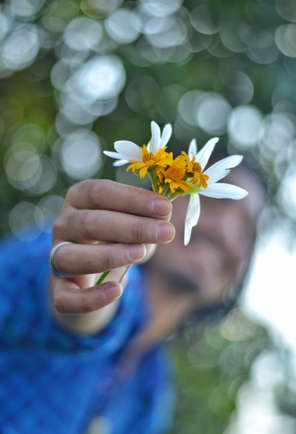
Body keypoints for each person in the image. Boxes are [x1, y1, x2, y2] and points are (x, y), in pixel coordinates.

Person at [0, 159, 264, 434]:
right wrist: (86, 289)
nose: (223, 230)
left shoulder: (152, 392)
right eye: (210, 201)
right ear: (157, 201)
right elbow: (76, 301)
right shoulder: (55, 252)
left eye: (246, 228)